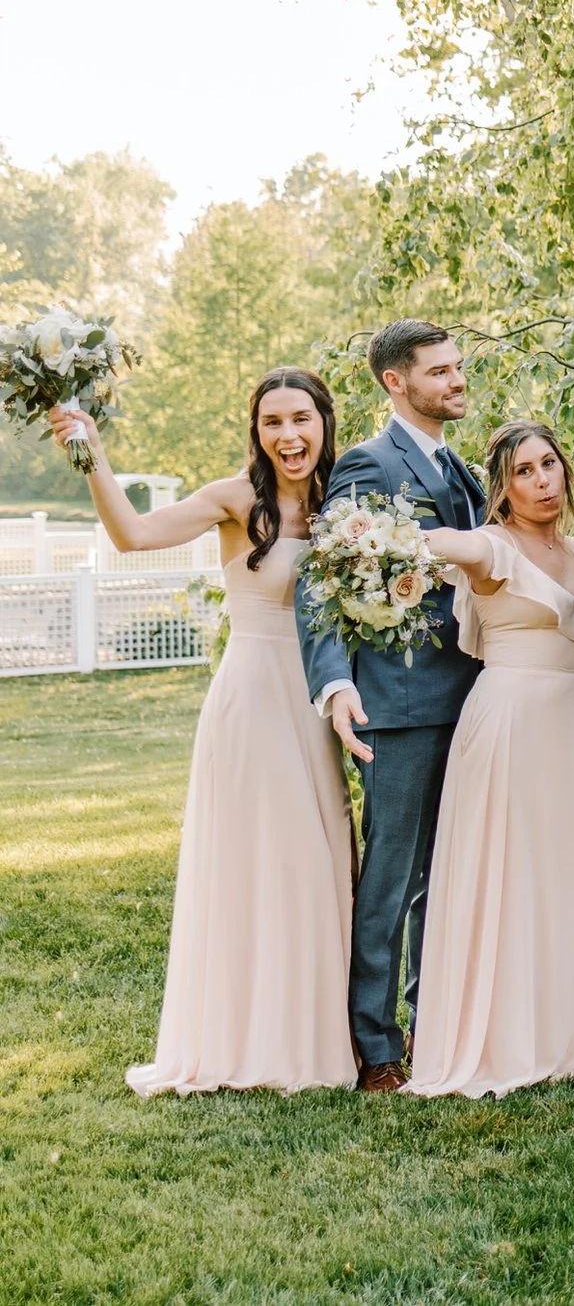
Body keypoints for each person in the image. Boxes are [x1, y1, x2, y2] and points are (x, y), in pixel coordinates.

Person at [51, 375, 356, 1096]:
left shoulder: (348, 503)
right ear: (256, 431)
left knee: (322, 860)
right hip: (253, 695)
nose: (288, 435)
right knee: (260, 859)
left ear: (324, 421)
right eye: (272, 421)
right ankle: (247, 1038)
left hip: (321, 700)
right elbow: (133, 536)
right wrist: (90, 453)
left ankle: (319, 1031)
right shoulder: (234, 498)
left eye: (301, 418)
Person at [406, 423, 574, 1097]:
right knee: (508, 869)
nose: (542, 480)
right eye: (524, 471)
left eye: (549, 465)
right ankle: (506, 1031)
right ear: (502, 487)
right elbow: (452, 543)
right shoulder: (493, 547)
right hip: (508, 719)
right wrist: (401, 543)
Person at [296, 320, 484, 1092]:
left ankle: (432, 1014)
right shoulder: (369, 465)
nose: (457, 380)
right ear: (394, 382)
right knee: (392, 875)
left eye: (458, 367)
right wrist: (337, 683)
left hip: (472, 694)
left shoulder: (461, 467)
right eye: (439, 371)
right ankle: (375, 1045)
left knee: (449, 872)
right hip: (400, 701)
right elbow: (324, 580)